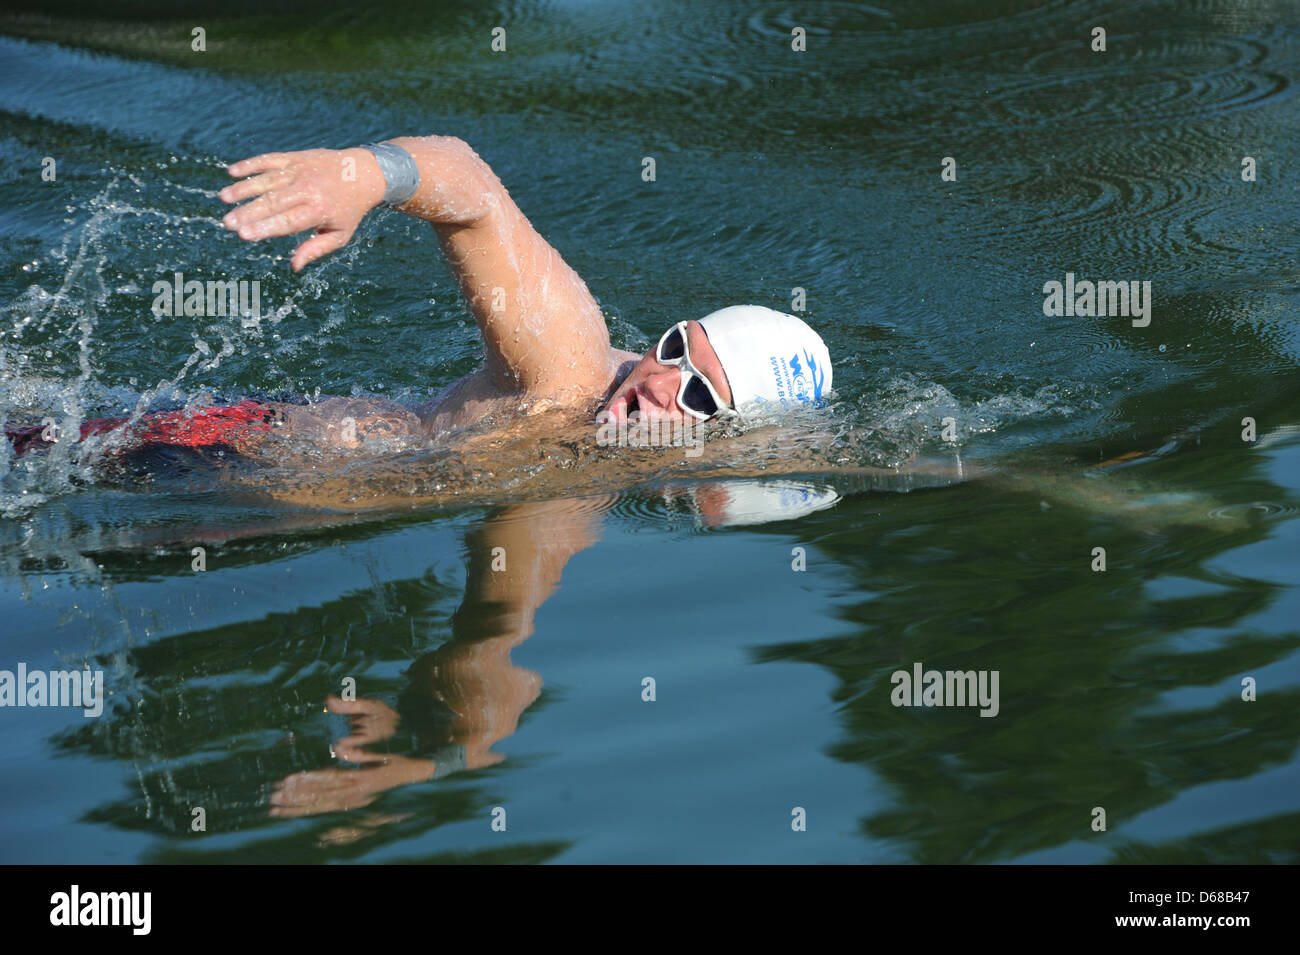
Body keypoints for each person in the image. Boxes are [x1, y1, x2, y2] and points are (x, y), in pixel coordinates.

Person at [6, 136, 833, 459]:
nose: (660, 382)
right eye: (676, 347)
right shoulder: (569, 370)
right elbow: (475, 192)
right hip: (201, 449)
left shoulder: (599, 468)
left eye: (697, 393)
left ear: (732, 439)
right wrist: (368, 176)